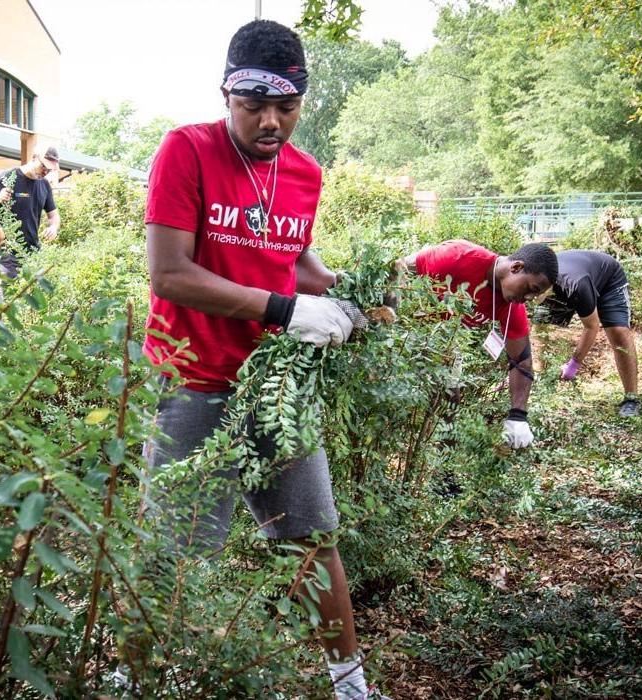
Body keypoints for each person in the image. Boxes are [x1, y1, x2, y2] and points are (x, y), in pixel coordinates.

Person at [142, 20, 387, 700]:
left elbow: (293, 257)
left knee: (313, 537)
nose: (271, 121)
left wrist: (349, 293)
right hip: (190, 381)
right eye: (254, 105)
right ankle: (145, 674)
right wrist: (284, 311)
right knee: (177, 550)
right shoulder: (186, 151)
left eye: (287, 106)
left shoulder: (306, 172)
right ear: (227, 93)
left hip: (275, 385)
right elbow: (169, 274)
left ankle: (351, 687)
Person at [399, 239, 558, 449]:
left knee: (449, 401)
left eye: (534, 295)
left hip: (444, 340)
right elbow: (398, 269)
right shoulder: (458, 257)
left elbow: (521, 361)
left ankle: (443, 467)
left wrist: (518, 416)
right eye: (531, 288)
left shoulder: (512, 306)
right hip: (403, 328)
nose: (528, 298)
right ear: (516, 267)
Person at [534, 249, 639, 417]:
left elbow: (592, 326)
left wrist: (573, 365)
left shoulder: (576, 284)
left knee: (619, 333)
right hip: (559, 282)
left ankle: (631, 398)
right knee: (541, 326)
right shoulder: (536, 277)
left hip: (608, 282)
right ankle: (541, 381)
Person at [0, 146, 60, 277]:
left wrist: (53, 228)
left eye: (49, 169)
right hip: (7, 255)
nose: (45, 171)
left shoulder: (45, 185)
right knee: (9, 296)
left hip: (33, 254)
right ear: (34, 158)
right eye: (43, 166)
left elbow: (54, 216)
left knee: (33, 296)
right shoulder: (8, 177)